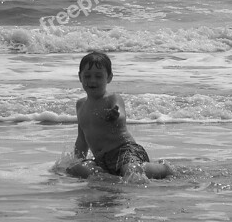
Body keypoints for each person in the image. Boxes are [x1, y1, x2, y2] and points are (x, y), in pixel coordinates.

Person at [67, 51, 172, 180]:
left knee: (132, 173)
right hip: (102, 160)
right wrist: (77, 160)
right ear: (80, 77)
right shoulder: (80, 105)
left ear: (109, 77)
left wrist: (114, 115)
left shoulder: (112, 98)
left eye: (98, 76)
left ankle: (163, 168)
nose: (92, 80)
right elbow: (82, 139)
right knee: (74, 170)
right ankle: (110, 177)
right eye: (87, 76)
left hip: (125, 151)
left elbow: (121, 115)